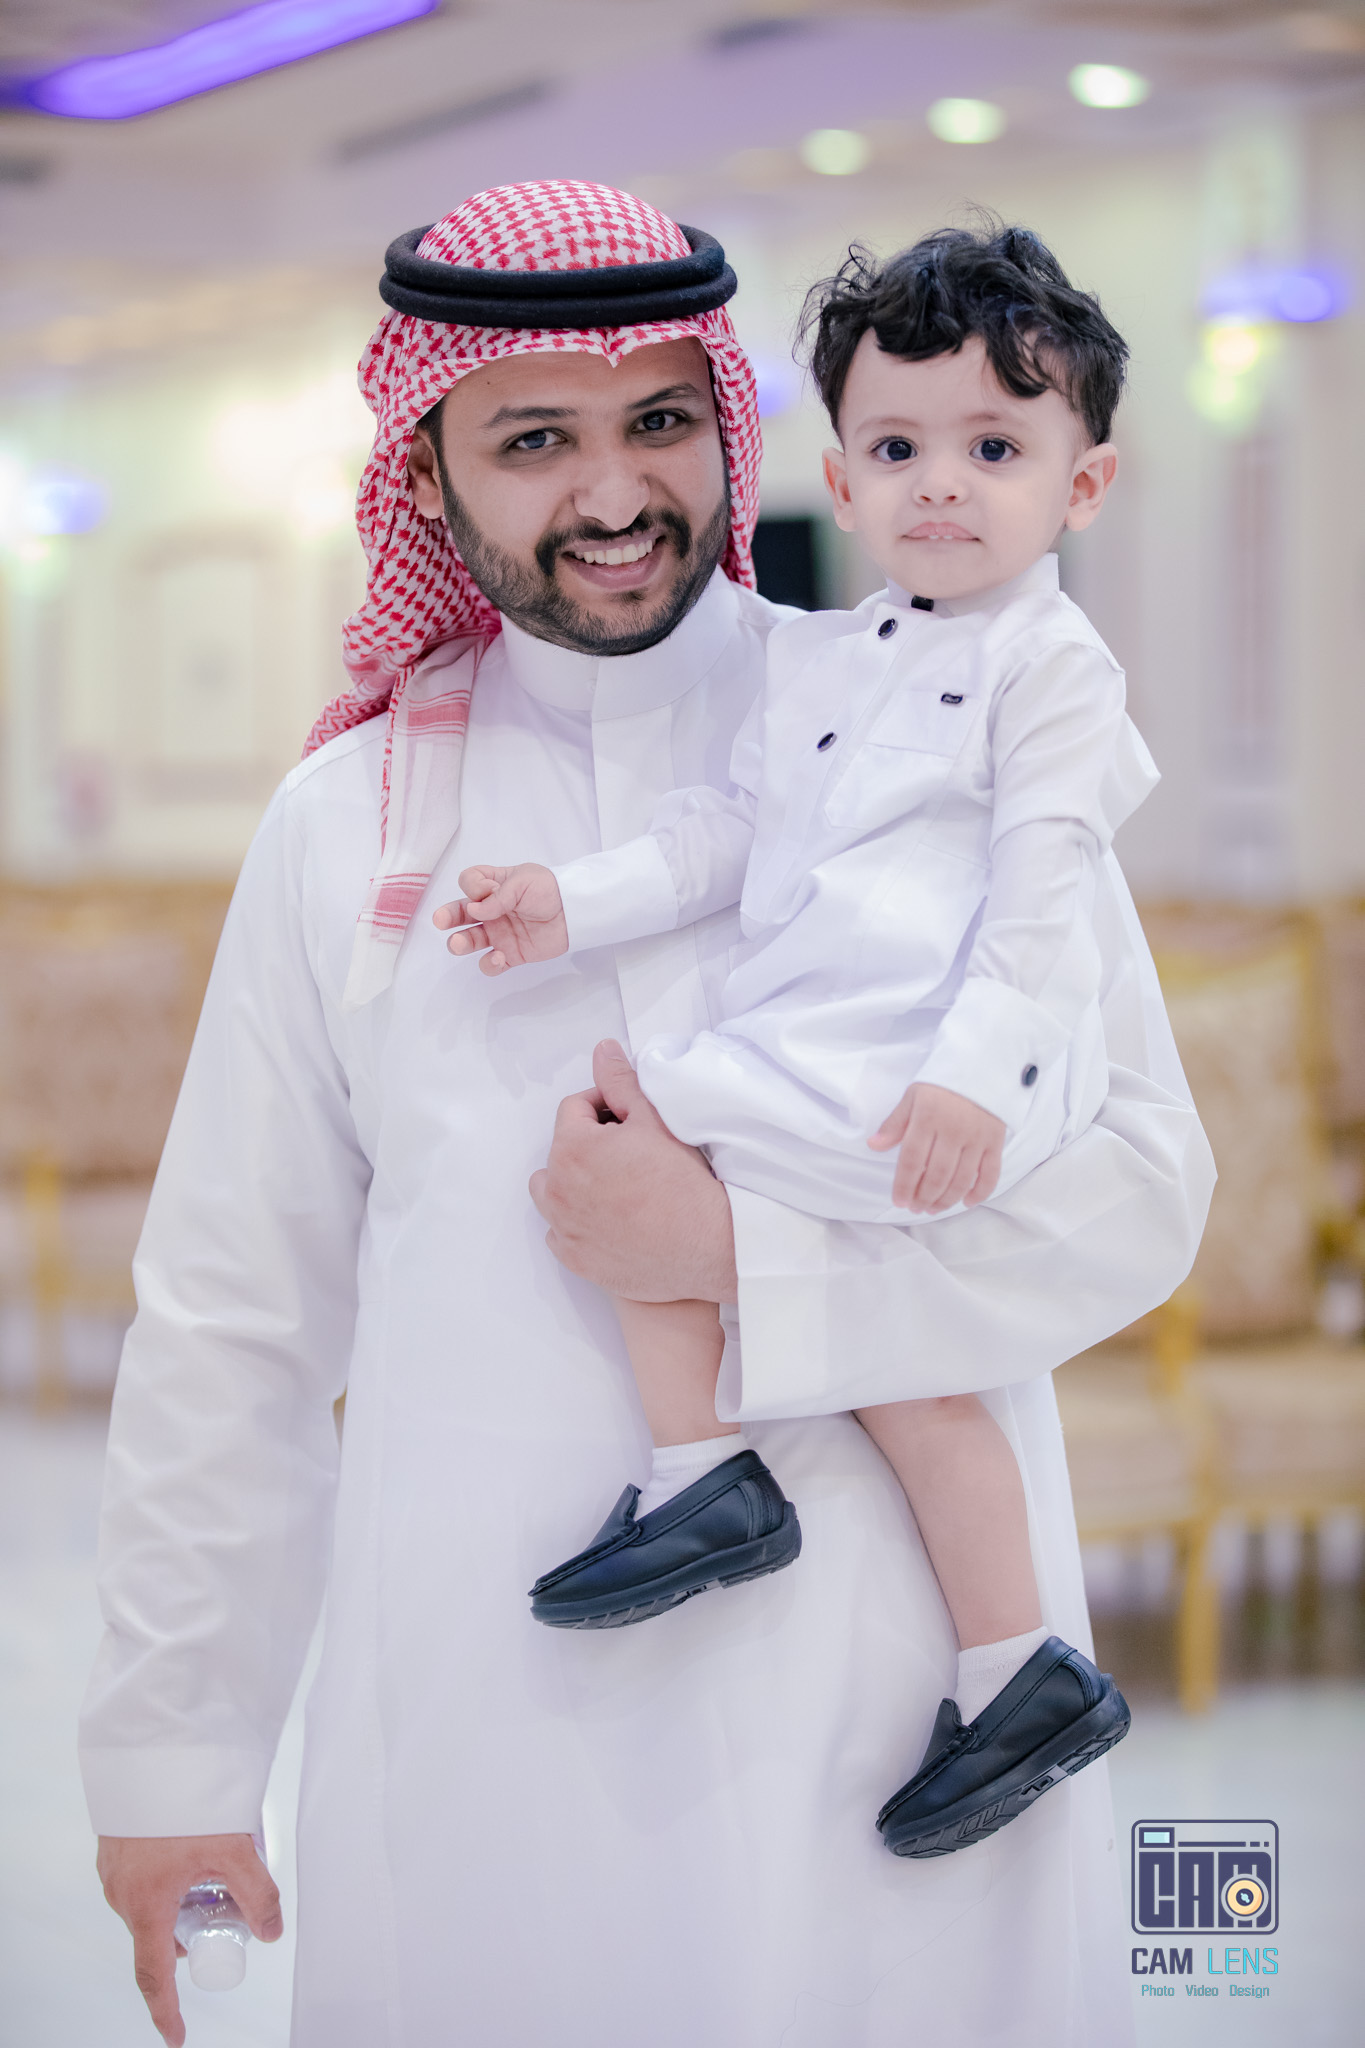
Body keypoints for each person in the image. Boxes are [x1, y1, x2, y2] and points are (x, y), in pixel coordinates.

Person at [81, 182, 1212, 2048]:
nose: (612, 493)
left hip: (891, 1713)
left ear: (735, 434)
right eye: (533, 439)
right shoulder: (346, 828)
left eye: (661, 421)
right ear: (428, 468)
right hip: (494, 1720)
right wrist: (178, 1758)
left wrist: (741, 1259)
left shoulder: (935, 715)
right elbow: (236, 1322)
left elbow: (1142, 1193)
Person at [436, 223, 1153, 1857]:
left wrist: (973, 1074)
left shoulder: (1056, 668)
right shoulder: (816, 656)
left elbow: (1047, 887)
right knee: (874, 1352)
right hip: (821, 1041)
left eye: (993, 449)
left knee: (647, 1162)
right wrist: (566, 901)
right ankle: (992, 1652)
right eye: (896, 450)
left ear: (1083, 485)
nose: (939, 485)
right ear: (837, 475)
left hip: (921, 1069)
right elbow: (722, 835)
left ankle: (725, 1491)